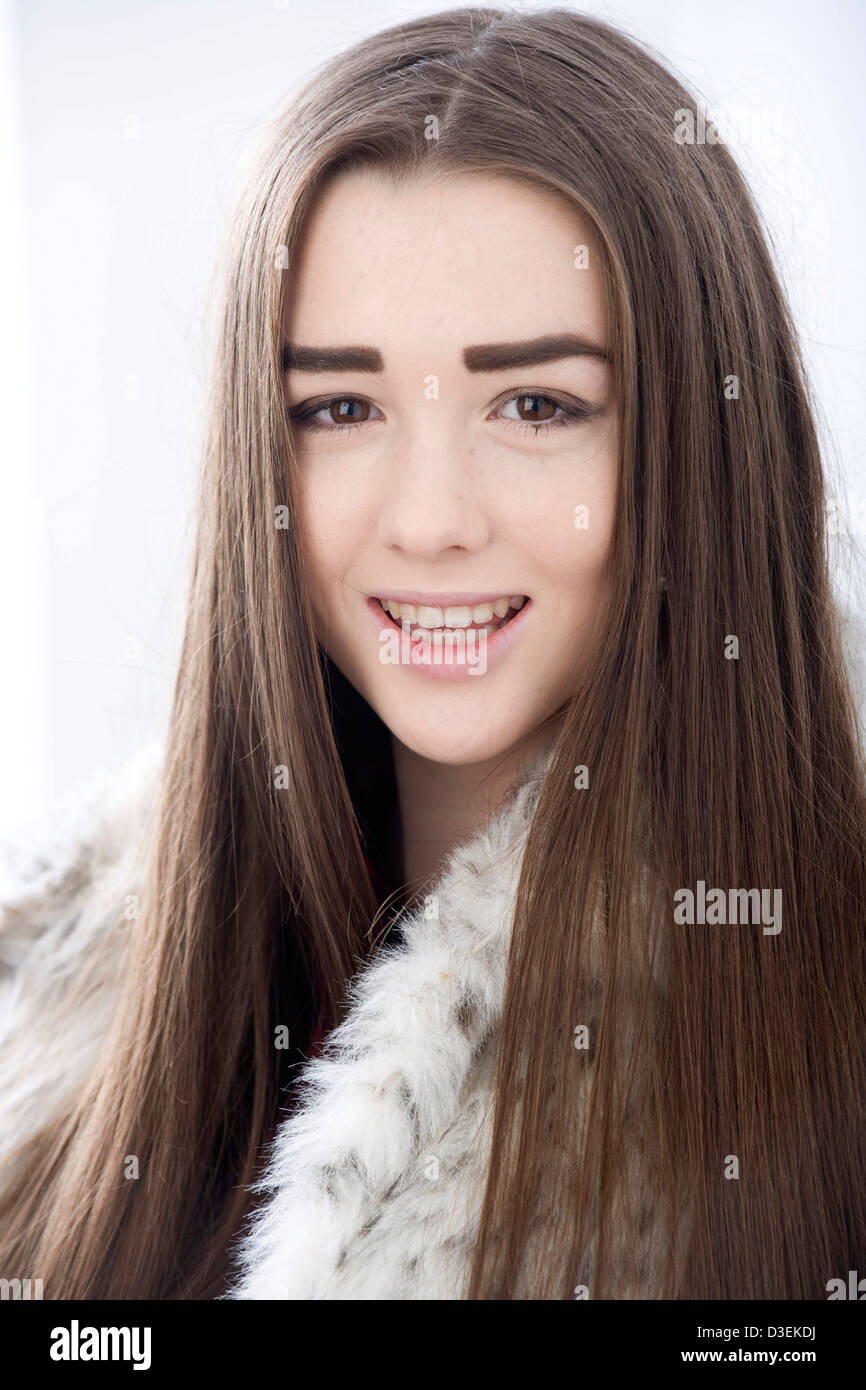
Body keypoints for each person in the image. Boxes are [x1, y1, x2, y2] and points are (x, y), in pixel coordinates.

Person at [1, 6, 865, 1301]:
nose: (429, 521)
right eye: (338, 407)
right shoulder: (68, 993)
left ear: (699, 446)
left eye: (535, 404)